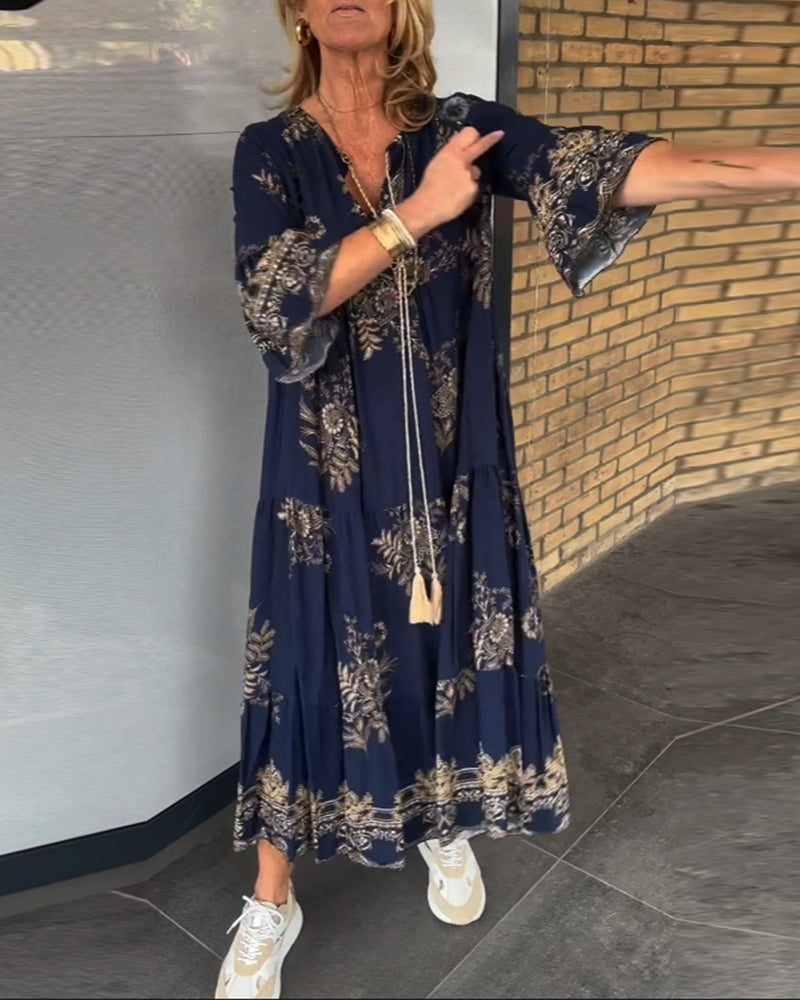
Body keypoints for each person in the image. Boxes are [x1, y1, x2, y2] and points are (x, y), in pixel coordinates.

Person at [218, 2, 799, 997]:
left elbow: (622, 167)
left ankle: (439, 817)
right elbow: (275, 301)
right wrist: (416, 213)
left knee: (442, 651)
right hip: (326, 471)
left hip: (454, 459)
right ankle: (273, 897)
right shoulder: (268, 151)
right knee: (309, 661)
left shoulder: (461, 131)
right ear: (298, 11)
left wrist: (779, 168)